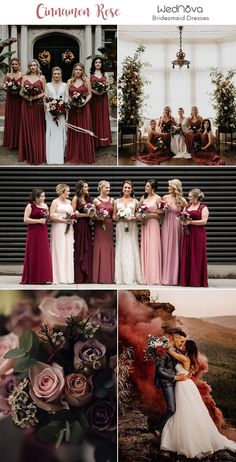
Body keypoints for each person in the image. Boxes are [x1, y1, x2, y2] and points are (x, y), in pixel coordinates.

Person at [160, 339, 236, 459]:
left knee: (184, 410)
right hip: (186, 385)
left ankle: (186, 440)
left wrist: (159, 344)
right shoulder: (189, 358)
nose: (182, 346)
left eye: (185, 345)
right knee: (188, 410)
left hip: (184, 386)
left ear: (188, 348)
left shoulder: (185, 359)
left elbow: (170, 351)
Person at [154, 329, 188, 436]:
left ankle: (171, 432)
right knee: (172, 409)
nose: (182, 344)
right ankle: (157, 428)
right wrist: (175, 377)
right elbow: (159, 371)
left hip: (176, 382)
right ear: (173, 338)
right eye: (181, 341)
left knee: (180, 409)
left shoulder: (175, 350)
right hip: (167, 382)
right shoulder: (162, 350)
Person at [113, 180, 142, 284]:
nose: (127, 189)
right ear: (122, 188)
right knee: (121, 247)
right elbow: (113, 216)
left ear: (132, 189)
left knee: (131, 247)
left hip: (132, 226)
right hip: (120, 227)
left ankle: (132, 276)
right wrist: (120, 217)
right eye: (125, 187)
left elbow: (139, 216)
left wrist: (131, 218)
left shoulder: (135, 202)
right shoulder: (116, 201)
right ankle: (120, 277)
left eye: (129, 188)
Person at [65, 63, 95, 164]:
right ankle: (74, 153)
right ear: (74, 70)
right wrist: (72, 101)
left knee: (84, 129)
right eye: (76, 69)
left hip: (84, 108)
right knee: (74, 131)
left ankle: (85, 154)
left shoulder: (86, 80)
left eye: (80, 70)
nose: (78, 71)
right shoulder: (69, 81)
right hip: (73, 109)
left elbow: (90, 94)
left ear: (82, 71)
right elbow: (67, 95)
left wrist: (83, 103)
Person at [21, 188, 52, 284]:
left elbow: (48, 219)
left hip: (43, 231)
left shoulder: (45, 206)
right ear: (36, 197)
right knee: (34, 252)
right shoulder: (30, 206)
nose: (44, 198)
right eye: (42, 196)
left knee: (43, 253)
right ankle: (34, 277)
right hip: (33, 233)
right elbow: (25, 219)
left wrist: (48, 217)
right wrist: (38, 221)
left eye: (44, 196)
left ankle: (44, 277)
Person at [18, 59, 46, 164]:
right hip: (26, 105)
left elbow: (44, 92)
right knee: (27, 127)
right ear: (29, 67)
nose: (33, 67)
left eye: (34, 65)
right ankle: (28, 153)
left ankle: (38, 152)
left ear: (37, 66)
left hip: (37, 105)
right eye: (31, 65)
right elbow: (21, 92)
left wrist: (34, 97)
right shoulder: (24, 77)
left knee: (37, 128)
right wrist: (27, 96)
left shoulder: (41, 78)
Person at [179, 188, 209, 287]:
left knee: (197, 255)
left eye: (190, 196)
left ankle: (196, 281)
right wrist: (182, 221)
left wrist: (191, 222)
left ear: (196, 197)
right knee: (187, 254)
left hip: (198, 235)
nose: (189, 198)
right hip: (187, 234)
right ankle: (186, 280)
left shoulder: (203, 207)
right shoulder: (187, 206)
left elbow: (204, 221)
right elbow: (182, 217)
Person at [161, 179, 187, 285]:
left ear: (175, 188)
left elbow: (185, 215)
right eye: (168, 186)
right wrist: (163, 209)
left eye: (170, 186)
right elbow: (160, 213)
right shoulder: (164, 198)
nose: (168, 188)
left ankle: (175, 277)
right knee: (165, 248)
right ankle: (165, 277)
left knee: (175, 249)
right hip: (166, 224)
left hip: (176, 226)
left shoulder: (182, 200)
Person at [138, 179, 162, 284]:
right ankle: (145, 276)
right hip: (145, 225)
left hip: (153, 224)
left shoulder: (158, 198)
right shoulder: (143, 198)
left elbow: (160, 214)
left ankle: (154, 276)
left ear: (153, 188)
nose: (145, 187)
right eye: (145, 185)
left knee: (153, 248)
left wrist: (148, 215)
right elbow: (138, 210)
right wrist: (140, 216)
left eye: (148, 186)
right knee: (145, 247)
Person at [50, 184, 74, 284]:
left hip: (69, 228)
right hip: (59, 228)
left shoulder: (69, 202)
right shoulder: (55, 202)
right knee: (59, 249)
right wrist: (64, 221)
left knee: (67, 250)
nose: (69, 193)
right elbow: (51, 216)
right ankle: (58, 277)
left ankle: (67, 277)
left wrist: (71, 219)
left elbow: (72, 214)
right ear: (62, 191)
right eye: (67, 191)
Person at [92, 180, 115, 284]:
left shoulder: (112, 200)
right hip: (99, 225)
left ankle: (108, 277)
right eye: (106, 187)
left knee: (108, 248)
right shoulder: (96, 200)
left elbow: (114, 215)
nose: (108, 189)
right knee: (99, 247)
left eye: (109, 188)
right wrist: (99, 216)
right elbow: (92, 215)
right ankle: (98, 277)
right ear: (101, 188)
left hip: (109, 225)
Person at [45, 67, 68, 164]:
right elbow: (45, 99)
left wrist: (62, 107)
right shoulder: (47, 85)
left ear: (61, 74)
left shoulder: (65, 85)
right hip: (50, 113)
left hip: (61, 113)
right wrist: (49, 108)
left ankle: (60, 157)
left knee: (60, 133)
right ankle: (51, 157)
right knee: (52, 133)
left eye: (58, 73)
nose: (56, 75)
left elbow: (67, 98)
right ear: (52, 74)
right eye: (55, 74)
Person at [72, 180, 94, 283]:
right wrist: (85, 215)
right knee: (79, 248)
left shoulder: (88, 198)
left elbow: (92, 213)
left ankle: (87, 276)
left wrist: (90, 214)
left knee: (87, 248)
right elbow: (73, 214)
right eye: (86, 187)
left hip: (88, 226)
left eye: (87, 187)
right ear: (80, 188)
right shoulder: (75, 198)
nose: (87, 188)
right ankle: (79, 276)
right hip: (79, 226)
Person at [90, 56, 112, 147]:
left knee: (103, 116)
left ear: (102, 64)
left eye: (99, 62)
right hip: (94, 98)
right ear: (93, 64)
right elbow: (88, 87)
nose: (98, 64)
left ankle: (104, 139)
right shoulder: (90, 74)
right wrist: (94, 91)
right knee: (94, 116)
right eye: (96, 62)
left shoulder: (105, 74)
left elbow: (108, 86)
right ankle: (95, 140)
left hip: (103, 98)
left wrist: (103, 90)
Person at [2, 58, 22, 149]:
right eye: (13, 64)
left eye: (16, 64)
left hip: (19, 100)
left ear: (19, 65)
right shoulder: (7, 75)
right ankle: (10, 142)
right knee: (11, 119)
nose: (14, 66)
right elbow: (2, 85)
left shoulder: (23, 75)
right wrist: (8, 88)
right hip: (10, 99)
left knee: (19, 120)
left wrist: (20, 89)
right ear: (10, 65)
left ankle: (19, 142)